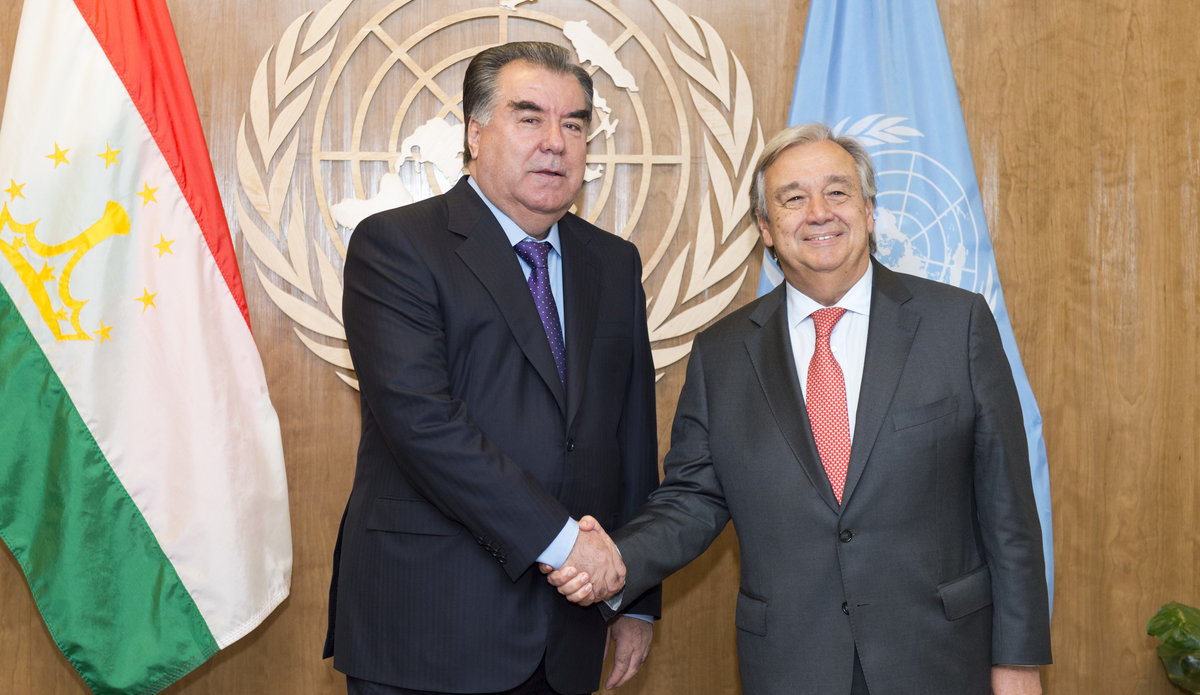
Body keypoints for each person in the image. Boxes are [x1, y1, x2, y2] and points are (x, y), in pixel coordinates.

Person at [546, 123, 1051, 694]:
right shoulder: (722, 354)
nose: (819, 213)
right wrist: (616, 557)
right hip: (792, 665)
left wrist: (1017, 662)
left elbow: (1008, 510)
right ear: (766, 228)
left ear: (869, 210)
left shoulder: (956, 324)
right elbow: (692, 501)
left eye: (837, 192)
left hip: (940, 659)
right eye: (792, 198)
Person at [324, 41, 660, 695]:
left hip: (571, 628)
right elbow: (423, 425)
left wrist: (635, 594)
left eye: (574, 124)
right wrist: (564, 543)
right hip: (431, 624)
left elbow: (630, 436)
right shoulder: (396, 246)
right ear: (475, 133)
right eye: (529, 118)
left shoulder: (613, 262)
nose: (555, 142)